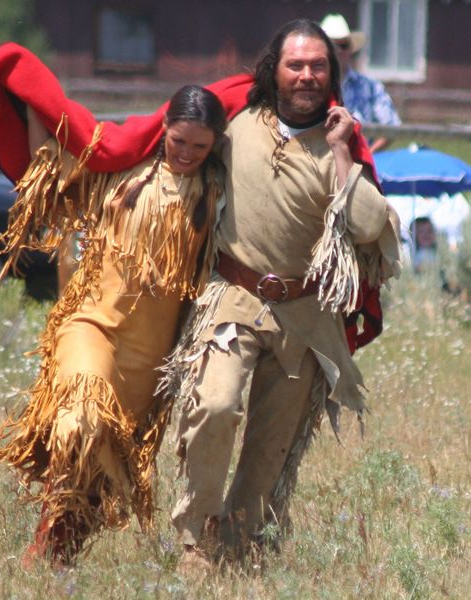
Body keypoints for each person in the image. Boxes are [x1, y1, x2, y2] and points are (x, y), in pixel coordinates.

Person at [156, 19, 402, 566]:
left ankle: (237, 555)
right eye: (297, 65)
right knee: (215, 405)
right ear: (276, 70)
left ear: (332, 74)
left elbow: (365, 225)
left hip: (305, 316)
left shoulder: (340, 145)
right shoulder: (238, 123)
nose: (307, 76)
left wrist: (341, 152)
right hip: (231, 297)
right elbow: (179, 148)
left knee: (270, 451)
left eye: (319, 66)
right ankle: (194, 543)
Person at [0, 84, 227, 567]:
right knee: (78, 423)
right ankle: (48, 552)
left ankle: (53, 557)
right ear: (163, 129)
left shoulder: (217, 193)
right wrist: (32, 98)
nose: (186, 154)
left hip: (149, 353)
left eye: (199, 148)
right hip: (92, 325)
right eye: (179, 141)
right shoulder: (121, 173)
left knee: (104, 470)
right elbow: (50, 165)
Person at [320, 13, 401, 153]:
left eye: (343, 45)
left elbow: (391, 127)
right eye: (332, 45)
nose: (338, 51)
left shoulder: (371, 87)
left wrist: (366, 157)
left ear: (351, 49)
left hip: (357, 166)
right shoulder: (309, 86)